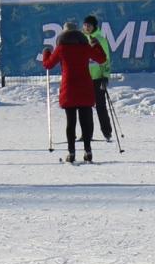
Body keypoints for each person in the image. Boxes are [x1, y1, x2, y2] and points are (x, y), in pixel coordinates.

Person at [40, 21, 102, 164]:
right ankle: (88, 150)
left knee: (71, 122)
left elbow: (47, 64)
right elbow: (101, 59)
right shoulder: (85, 47)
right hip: (85, 86)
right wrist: (96, 45)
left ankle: (71, 152)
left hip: (69, 88)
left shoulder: (61, 48)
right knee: (85, 121)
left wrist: (46, 52)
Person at [83, 14, 114, 145]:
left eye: (89, 25)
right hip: (84, 78)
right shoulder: (82, 39)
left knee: (101, 106)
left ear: (94, 26)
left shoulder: (101, 39)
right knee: (84, 107)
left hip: (98, 78)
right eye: (85, 25)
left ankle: (107, 132)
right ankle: (86, 134)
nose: (86, 27)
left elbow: (106, 60)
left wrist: (105, 77)